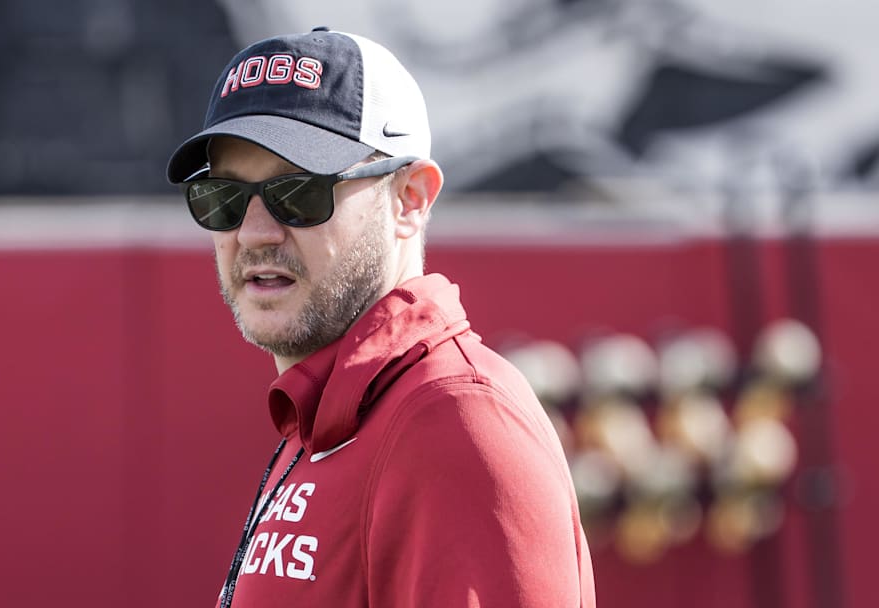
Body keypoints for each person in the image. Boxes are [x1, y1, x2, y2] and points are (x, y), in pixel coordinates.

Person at [167, 27, 596, 608]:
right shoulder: (330, 418)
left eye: (300, 192)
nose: (255, 232)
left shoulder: (457, 419)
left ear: (410, 198)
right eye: (223, 197)